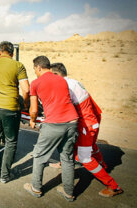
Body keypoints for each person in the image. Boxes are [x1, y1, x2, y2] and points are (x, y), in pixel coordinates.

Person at [50, 63, 123, 197]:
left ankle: (113, 186)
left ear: (56, 75)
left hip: (86, 124)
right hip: (94, 119)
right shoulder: (74, 82)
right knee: (91, 146)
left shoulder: (64, 86)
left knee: (83, 157)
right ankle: (102, 167)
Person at [24, 56, 79, 202]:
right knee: (67, 158)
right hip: (72, 121)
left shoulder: (35, 83)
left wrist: (32, 120)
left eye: (34, 69)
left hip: (54, 123)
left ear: (39, 67)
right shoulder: (62, 80)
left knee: (39, 156)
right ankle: (68, 192)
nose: (34, 71)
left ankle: (35, 188)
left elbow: (34, 109)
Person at [0, 41, 30, 183]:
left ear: (0, 52)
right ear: (12, 53)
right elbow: (26, 89)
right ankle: (5, 175)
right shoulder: (18, 65)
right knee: (10, 141)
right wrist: (25, 103)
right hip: (11, 108)